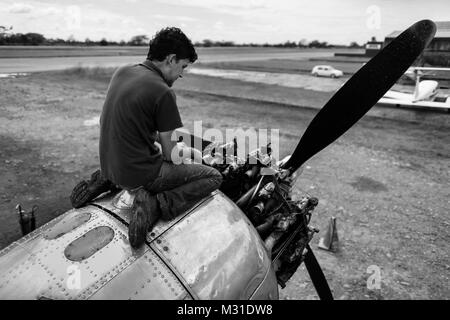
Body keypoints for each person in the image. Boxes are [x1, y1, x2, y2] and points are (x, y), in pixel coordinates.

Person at [70, 27, 222, 248]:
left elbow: (137, 127)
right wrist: (191, 153)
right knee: (213, 177)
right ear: (171, 59)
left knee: (145, 151)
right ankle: (157, 205)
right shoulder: (163, 92)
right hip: (141, 174)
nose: (181, 75)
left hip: (109, 162)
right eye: (182, 67)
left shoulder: (122, 71)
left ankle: (106, 178)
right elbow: (171, 156)